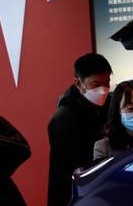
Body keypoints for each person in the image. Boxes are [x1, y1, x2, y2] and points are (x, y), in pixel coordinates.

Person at [47, 53, 112, 206]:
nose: (103, 90)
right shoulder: (61, 120)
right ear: (78, 84)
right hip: (78, 194)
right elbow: (66, 172)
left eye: (107, 83)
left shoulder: (110, 105)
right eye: (95, 85)